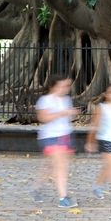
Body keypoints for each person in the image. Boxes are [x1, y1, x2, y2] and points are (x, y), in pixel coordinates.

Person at [35, 74, 80, 208]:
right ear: (53, 86)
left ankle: (37, 188)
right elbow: (43, 118)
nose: (66, 88)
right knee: (61, 167)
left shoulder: (66, 100)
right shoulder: (45, 100)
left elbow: (67, 118)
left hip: (65, 136)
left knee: (51, 166)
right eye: (63, 85)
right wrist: (63, 113)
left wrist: (71, 114)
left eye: (68, 85)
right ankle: (63, 198)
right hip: (50, 137)